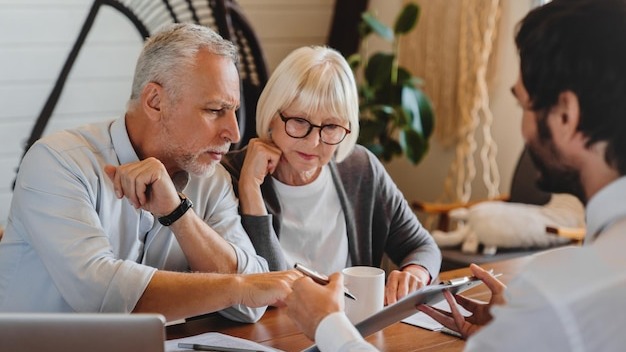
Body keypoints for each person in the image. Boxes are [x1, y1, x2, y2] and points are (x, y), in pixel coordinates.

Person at [284, 0, 626, 350]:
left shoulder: (559, 295)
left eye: (524, 105)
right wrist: (513, 333)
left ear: (566, 115)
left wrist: (328, 326)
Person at [0, 23, 301, 323]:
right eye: (214, 110)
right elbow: (100, 295)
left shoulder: (212, 180)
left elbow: (252, 305)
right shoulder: (57, 162)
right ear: (155, 102)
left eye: (233, 111)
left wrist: (178, 214)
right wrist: (237, 287)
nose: (234, 133)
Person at [221, 46, 441, 304]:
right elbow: (264, 288)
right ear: (272, 115)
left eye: (332, 126)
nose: (314, 141)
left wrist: (416, 272)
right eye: (300, 121)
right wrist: (250, 191)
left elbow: (423, 247)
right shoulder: (230, 175)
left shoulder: (359, 168)